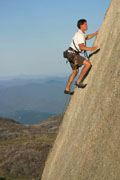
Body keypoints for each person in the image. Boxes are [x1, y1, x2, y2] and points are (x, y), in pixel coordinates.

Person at [64, 19, 98, 95]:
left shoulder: (81, 34)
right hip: (73, 54)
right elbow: (81, 47)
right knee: (88, 64)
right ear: (81, 25)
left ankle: (67, 89)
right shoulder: (79, 35)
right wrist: (91, 48)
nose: (87, 25)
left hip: (70, 54)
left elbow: (87, 37)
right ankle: (79, 82)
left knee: (75, 71)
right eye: (85, 24)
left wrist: (96, 33)